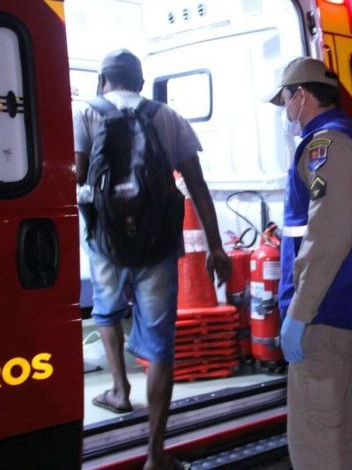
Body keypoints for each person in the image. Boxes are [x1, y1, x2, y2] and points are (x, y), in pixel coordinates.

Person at [73, 49, 230, 470]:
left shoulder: (87, 114)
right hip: (159, 243)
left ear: (103, 80)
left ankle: (121, 391)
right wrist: (216, 246)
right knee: (160, 345)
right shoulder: (169, 117)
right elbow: (196, 183)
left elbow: (78, 179)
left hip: (106, 241)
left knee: (106, 310)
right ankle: (155, 455)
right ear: (141, 83)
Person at [265, 57, 352, 469]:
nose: (286, 112)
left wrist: (299, 312)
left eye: (285, 101)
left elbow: (329, 234)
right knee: (344, 426)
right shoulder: (347, 136)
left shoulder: (325, 143)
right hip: (348, 307)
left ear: (300, 95)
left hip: (325, 314)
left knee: (317, 440)